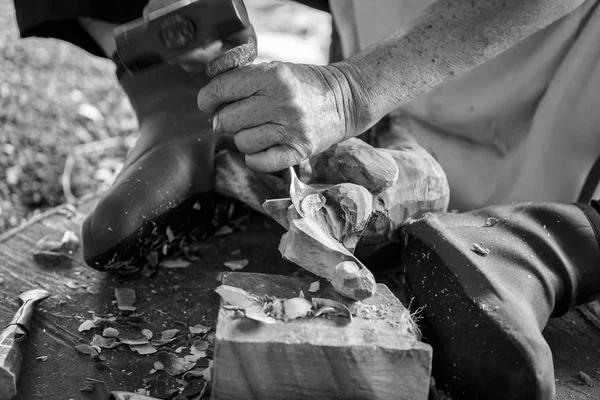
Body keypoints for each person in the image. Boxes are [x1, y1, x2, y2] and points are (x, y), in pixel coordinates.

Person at [12, 0, 600, 398]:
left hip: (562, 118)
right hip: (393, 114)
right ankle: (183, 108)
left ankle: (540, 244)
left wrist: (353, 90)